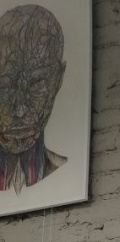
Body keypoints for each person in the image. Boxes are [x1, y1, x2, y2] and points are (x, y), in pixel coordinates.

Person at [0, 5, 67, 194]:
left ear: (58, 80)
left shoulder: (62, 172)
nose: (19, 109)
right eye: (4, 86)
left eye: (37, 83)